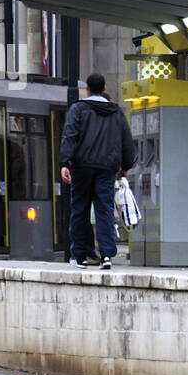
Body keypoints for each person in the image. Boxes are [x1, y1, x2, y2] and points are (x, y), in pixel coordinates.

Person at [60, 72, 135, 271]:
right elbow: (127, 141)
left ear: (87, 89)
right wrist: (125, 167)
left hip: (82, 167)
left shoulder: (78, 109)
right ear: (104, 89)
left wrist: (65, 163)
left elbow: (70, 136)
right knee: (104, 209)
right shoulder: (116, 112)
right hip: (106, 169)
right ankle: (107, 255)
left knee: (80, 209)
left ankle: (81, 255)